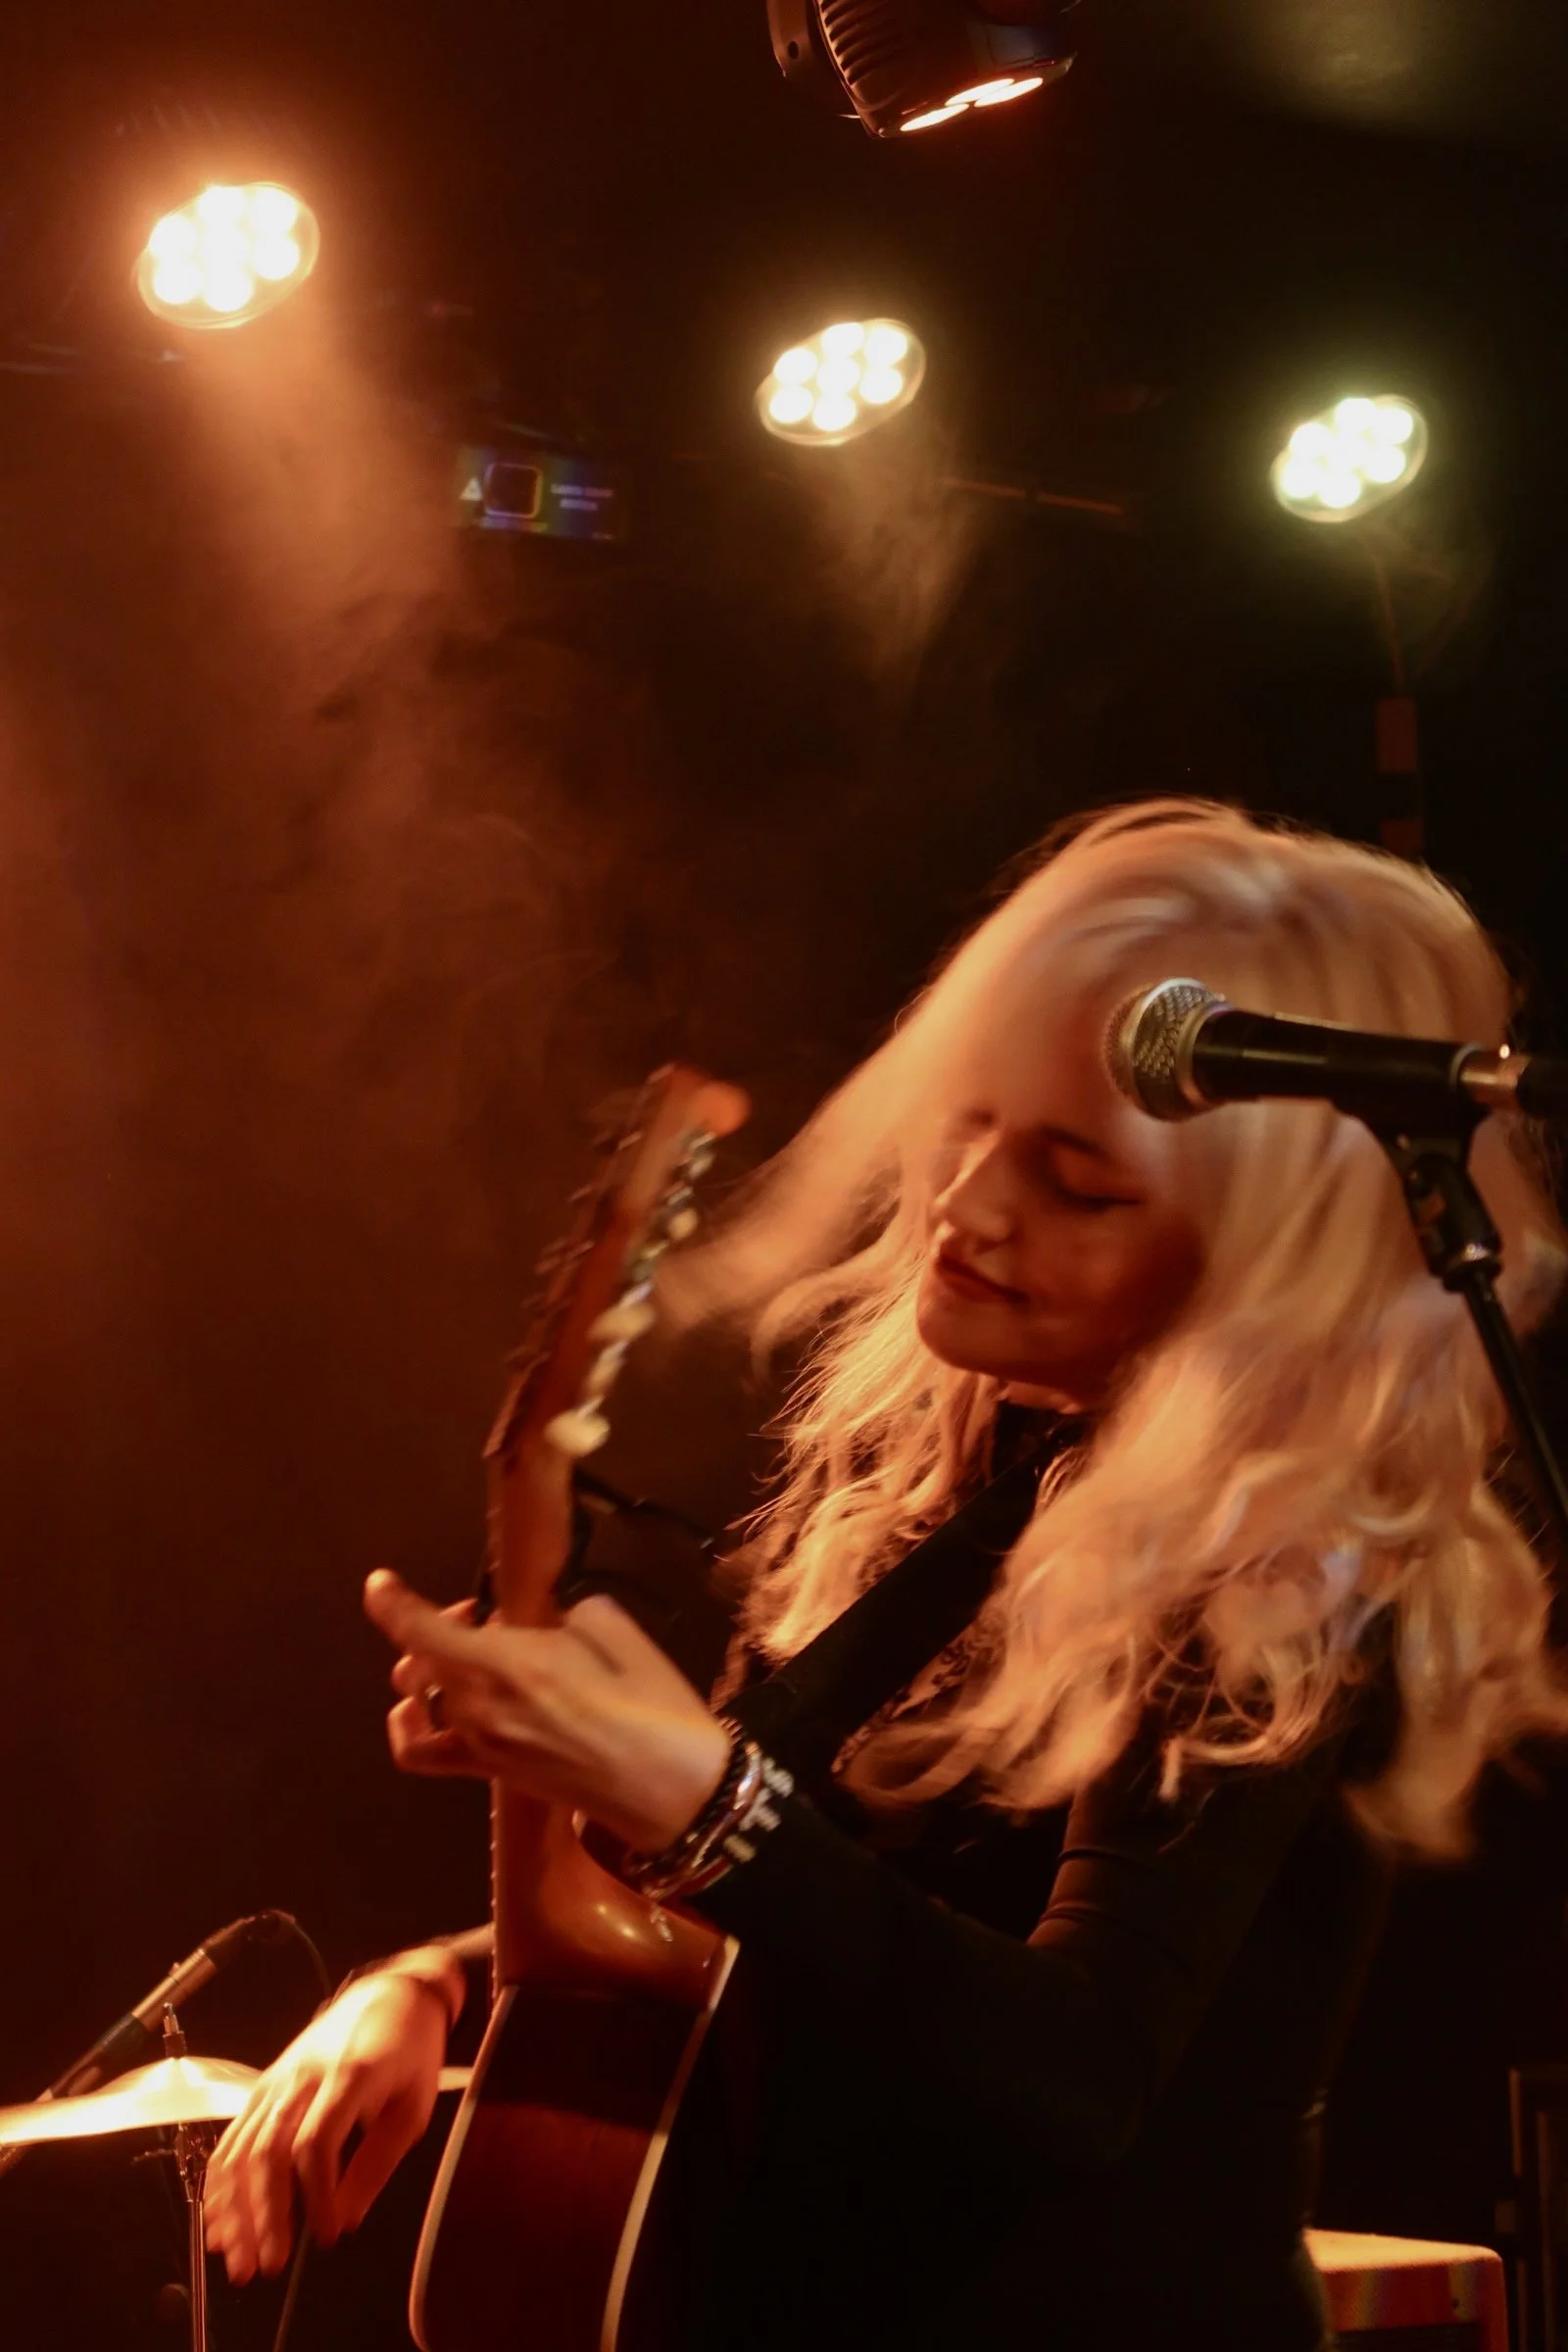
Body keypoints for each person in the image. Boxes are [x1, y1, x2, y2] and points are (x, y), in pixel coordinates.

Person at [203, 800, 1568, 2349]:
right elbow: (822, 1926)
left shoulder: (1283, 1564)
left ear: (1261, 1269)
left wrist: (697, 1797)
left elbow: (1074, 2077)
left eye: (1080, 1184)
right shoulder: (989, 1495)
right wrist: (436, 1983)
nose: (968, 1205)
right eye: (968, 1123)